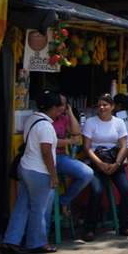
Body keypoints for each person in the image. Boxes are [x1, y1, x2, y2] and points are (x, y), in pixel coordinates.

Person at [3, 91, 63, 254]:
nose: (60, 110)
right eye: (59, 106)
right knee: (39, 208)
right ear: (53, 108)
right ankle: (37, 243)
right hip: (39, 171)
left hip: (25, 168)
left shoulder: (32, 119)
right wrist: (53, 175)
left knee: (22, 205)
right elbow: (46, 152)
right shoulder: (45, 126)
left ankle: (11, 241)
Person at [82, 94, 128, 242]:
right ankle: (90, 228)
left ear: (112, 107)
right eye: (99, 105)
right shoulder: (90, 122)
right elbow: (87, 148)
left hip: (115, 162)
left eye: (105, 105)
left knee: (126, 190)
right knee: (96, 191)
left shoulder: (118, 123)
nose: (102, 108)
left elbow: (124, 146)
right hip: (96, 162)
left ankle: (124, 225)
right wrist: (99, 164)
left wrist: (117, 164)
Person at [47, 93, 92, 224]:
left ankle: (64, 201)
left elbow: (76, 131)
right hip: (46, 157)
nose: (60, 107)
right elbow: (49, 142)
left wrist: (70, 112)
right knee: (49, 192)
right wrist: (69, 141)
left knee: (86, 173)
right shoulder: (44, 120)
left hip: (60, 157)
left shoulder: (63, 119)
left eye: (63, 104)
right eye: (59, 104)